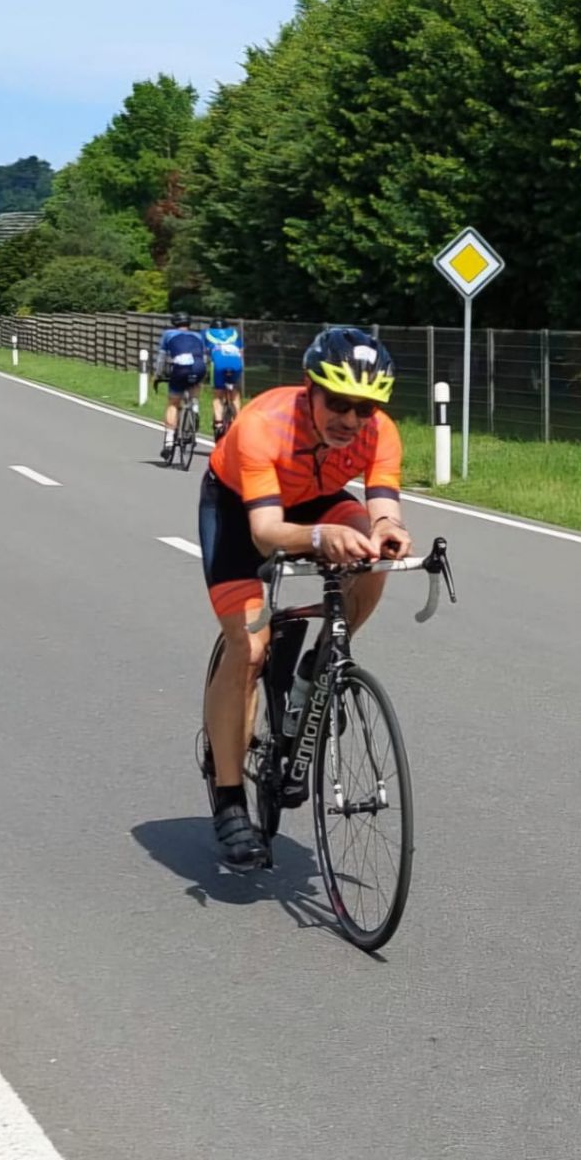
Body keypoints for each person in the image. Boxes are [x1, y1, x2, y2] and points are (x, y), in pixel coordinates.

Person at [197, 325, 411, 870]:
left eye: (364, 408)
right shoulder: (263, 424)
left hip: (317, 499)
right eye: (338, 403)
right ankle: (229, 799)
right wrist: (318, 538)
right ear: (309, 389)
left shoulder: (379, 432)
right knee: (250, 648)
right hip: (240, 508)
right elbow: (267, 532)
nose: (351, 420)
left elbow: (384, 504)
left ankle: (320, 666)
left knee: (373, 552)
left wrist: (388, 530)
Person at [154, 312, 207, 455]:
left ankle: (169, 442)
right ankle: (194, 408)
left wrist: (158, 374)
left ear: (174, 323)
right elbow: (203, 357)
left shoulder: (168, 334)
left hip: (181, 367)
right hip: (199, 366)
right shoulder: (198, 336)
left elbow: (161, 357)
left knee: (173, 403)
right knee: (195, 384)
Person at [204, 317, 245, 439]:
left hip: (219, 365)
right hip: (236, 365)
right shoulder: (234, 333)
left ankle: (218, 423)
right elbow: (241, 353)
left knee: (218, 395)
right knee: (235, 394)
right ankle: (239, 421)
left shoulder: (207, 334)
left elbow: (204, 354)